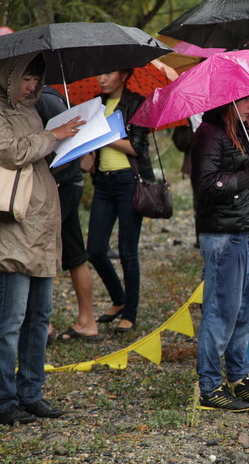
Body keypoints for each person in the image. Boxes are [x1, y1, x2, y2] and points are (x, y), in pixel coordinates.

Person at [0, 52, 85, 425]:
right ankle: (4, 401)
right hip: (14, 230)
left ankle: (31, 393)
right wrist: (54, 136)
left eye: (36, 79)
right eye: (26, 79)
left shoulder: (32, 110)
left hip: (44, 228)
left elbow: (38, 154)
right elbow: (12, 151)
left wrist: (71, 145)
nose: (32, 86)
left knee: (39, 318)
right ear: (9, 75)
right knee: (10, 322)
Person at [191, 94, 249, 411]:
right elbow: (206, 185)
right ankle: (210, 386)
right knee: (220, 312)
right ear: (227, 102)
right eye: (246, 100)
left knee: (247, 312)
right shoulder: (209, 133)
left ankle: (238, 377)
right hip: (224, 236)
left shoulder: (241, 130)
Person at [87, 70, 153, 333]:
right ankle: (118, 297)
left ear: (124, 75)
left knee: (127, 251)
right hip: (103, 181)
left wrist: (104, 135)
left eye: (108, 74)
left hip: (129, 181)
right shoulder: (96, 103)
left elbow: (137, 147)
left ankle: (130, 312)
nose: (101, 79)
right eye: (99, 74)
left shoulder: (137, 103)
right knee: (95, 250)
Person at [35, 86, 98, 341]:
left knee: (39, 249)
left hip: (62, 185)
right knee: (74, 254)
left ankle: (43, 325)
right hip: (64, 182)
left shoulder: (45, 99)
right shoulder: (43, 96)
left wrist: (57, 174)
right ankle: (88, 321)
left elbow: (75, 139)